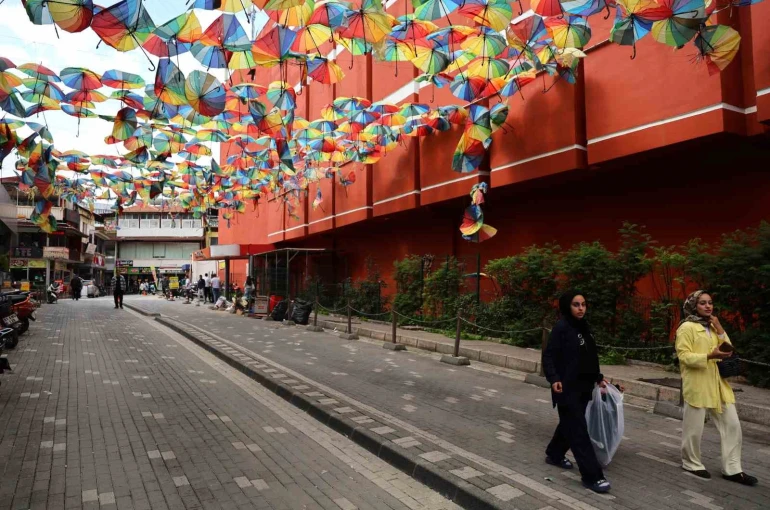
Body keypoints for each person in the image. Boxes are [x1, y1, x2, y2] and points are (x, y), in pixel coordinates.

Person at [676, 290, 758, 486]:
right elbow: (683, 356)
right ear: (693, 305)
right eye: (702, 303)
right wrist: (708, 356)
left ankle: (732, 469)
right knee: (693, 428)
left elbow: (728, 348)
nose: (708, 306)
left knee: (732, 425)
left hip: (718, 383)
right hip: (698, 383)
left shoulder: (713, 326)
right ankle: (691, 463)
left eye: (710, 302)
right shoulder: (686, 327)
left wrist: (720, 328)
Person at [542, 291, 611, 494]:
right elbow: (549, 356)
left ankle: (554, 454)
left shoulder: (584, 327)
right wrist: (554, 378)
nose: (581, 308)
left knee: (570, 424)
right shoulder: (561, 328)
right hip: (566, 388)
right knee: (579, 431)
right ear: (567, 307)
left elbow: (588, 358)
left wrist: (598, 377)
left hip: (583, 387)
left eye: (583, 304)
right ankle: (592, 476)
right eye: (576, 304)